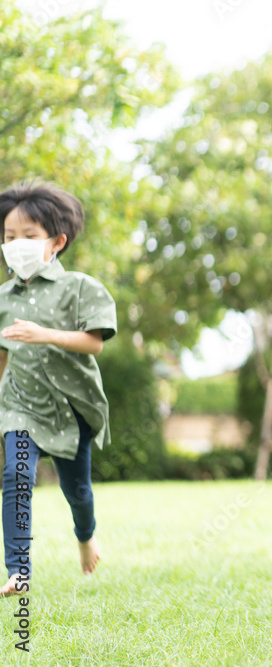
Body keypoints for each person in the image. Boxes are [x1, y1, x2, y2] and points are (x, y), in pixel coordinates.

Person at [0, 181, 117, 597]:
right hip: (20, 407)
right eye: (9, 237)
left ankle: (86, 536)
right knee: (16, 474)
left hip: (71, 409)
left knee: (78, 492)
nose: (16, 245)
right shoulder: (3, 298)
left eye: (28, 237)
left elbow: (95, 342)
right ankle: (19, 570)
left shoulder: (81, 288)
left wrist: (43, 333)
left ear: (56, 241)